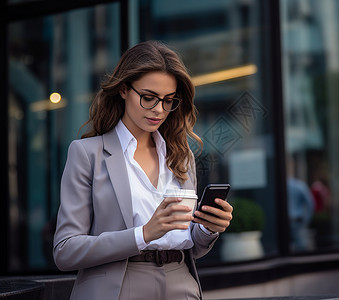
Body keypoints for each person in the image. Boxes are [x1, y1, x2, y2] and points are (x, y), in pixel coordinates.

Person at [53, 40, 233, 300]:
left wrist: (207, 228)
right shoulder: (87, 153)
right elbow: (65, 251)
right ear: (124, 89)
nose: (159, 110)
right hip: (117, 286)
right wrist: (144, 234)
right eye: (148, 98)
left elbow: (190, 246)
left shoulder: (181, 157)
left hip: (180, 282)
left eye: (168, 100)